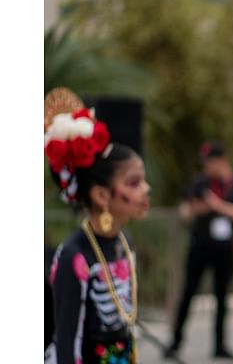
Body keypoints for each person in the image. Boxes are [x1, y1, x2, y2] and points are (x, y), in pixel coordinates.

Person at [45, 88, 150, 364]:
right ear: (102, 195)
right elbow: (67, 341)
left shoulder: (125, 243)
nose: (145, 190)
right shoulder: (74, 257)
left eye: (143, 180)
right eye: (133, 183)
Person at [165, 141, 233, 359]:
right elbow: (185, 211)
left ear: (221, 161)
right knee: (188, 292)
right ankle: (175, 341)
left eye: (209, 163)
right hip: (199, 247)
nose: (206, 167)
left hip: (225, 250)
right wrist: (200, 208)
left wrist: (219, 206)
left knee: (222, 297)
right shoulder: (200, 183)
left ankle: (220, 345)